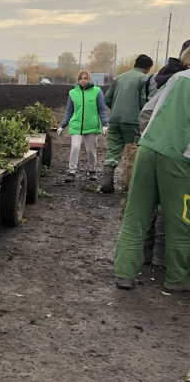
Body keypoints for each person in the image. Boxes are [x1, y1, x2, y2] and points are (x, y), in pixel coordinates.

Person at [112, 46, 190, 292]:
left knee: (135, 214)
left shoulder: (177, 78)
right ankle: (177, 278)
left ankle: (124, 273)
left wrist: (151, 139)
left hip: (147, 148)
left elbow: (146, 112)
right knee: (179, 220)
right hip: (178, 157)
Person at [100, 54, 153, 193]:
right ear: (148, 68)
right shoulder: (144, 79)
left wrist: (117, 110)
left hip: (115, 120)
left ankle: (106, 184)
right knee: (133, 152)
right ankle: (130, 187)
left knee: (113, 151)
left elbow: (107, 99)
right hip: (133, 122)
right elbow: (144, 102)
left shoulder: (119, 78)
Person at [56, 70, 108, 182]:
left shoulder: (97, 91)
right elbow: (69, 111)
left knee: (91, 150)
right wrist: (63, 125)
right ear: (78, 80)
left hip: (92, 125)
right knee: (75, 147)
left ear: (89, 79)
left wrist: (105, 124)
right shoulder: (72, 93)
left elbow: (102, 109)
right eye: (81, 78)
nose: (83, 80)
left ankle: (92, 170)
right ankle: (71, 171)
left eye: (85, 78)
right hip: (76, 125)